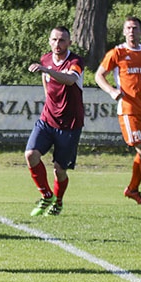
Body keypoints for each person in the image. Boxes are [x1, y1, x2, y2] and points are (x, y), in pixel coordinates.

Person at [94, 16, 141, 206]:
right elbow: (99, 75)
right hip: (128, 109)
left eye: (135, 28)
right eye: (128, 28)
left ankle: (132, 189)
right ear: (124, 31)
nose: (131, 31)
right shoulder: (117, 52)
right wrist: (111, 91)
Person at [25, 26, 85, 216]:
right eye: (54, 40)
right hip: (47, 120)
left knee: (59, 170)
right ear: (49, 41)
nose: (57, 44)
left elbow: (69, 80)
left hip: (70, 125)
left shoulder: (75, 61)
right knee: (30, 155)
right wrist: (48, 100)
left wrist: (46, 70)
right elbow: (46, 81)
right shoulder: (46, 59)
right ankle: (46, 195)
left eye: (61, 40)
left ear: (69, 42)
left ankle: (58, 203)